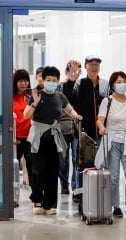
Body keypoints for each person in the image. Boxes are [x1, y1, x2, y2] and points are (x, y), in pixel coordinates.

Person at [24, 66, 82, 215]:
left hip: (54, 137)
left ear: (57, 82)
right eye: (48, 80)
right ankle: (38, 200)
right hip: (38, 137)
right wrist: (34, 103)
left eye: (54, 80)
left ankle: (50, 204)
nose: (51, 82)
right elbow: (26, 115)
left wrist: (76, 115)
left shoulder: (60, 96)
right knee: (38, 170)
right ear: (42, 80)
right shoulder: (37, 95)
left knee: (52, 171)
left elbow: (69, 109)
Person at [96, 71, 126, 218]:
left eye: (124, 81)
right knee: (113, 177)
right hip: (112, 140)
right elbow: (100, 120)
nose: (122, 84)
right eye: (118, 82)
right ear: (113, 85)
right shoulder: (107, 101)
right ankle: (115, 205)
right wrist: (101, 128)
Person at [72, 55, 110, 145]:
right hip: (82, 132)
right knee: (80, 158)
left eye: (97, 65)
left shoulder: (105, 84)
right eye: (91, 64)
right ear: (85, 66)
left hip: (101, 131)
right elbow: (72, 104)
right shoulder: (79, 83)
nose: (94, 67)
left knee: (100, 158)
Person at [57, 60, 82, 195]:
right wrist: (70, 81)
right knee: (63, 159)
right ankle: (64, 184)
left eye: (78, 71)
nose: (75, 73)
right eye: (72, 70)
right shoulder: (60, 86)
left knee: (77, 158)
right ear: (67, 71)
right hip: (62, 127)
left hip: (77, 128)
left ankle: (76, 187)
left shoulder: (81, 86)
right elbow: (63, 102)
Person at [12, 69, 32, 185]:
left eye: (26, 81)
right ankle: (13, 195)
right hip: (16, 137)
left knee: (32, 166)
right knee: (14, 166)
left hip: (30, 136)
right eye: (20, 81)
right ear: (15, 82)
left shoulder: (31, 97)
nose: (24, 84)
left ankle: (35, 196)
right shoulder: (10, 97)